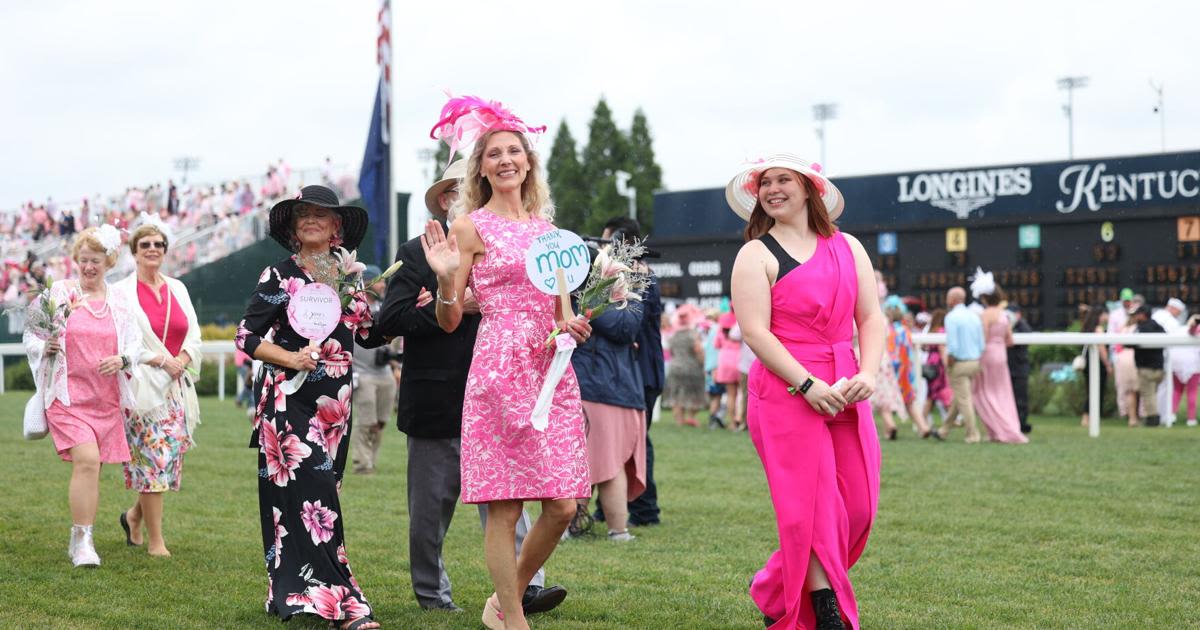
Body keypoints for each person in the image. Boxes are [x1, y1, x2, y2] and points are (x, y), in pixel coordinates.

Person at [421, 95, 591, 630]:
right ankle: (514, 617)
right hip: (499, 366)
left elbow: (563, 310)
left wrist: (573, 325)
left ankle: (505, 597)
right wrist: (448, 278)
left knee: (563, 504)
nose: (505, 160)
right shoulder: (470, 227)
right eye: (494, 153)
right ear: (482, 167)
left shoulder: (551, 234)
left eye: (514, 151)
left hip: (553, 370)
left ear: (528, 162)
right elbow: (450, 320)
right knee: (506, 505)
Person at [376, 159, 567, 616]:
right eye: (454, 191)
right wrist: (459, 301)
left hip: (507, 392)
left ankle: (521, 592)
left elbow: (548, 306)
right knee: (430, 512)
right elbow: (390, 320)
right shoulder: (418, 252)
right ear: (446, 200)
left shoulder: (527, 242)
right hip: (437, 400)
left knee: (510, 502)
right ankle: (433, 596)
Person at [728, 154, 883, 629]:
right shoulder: (755, 254)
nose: (773, 189)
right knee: (809, 509)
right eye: (765, 183)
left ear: (809, 188)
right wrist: (806, 383)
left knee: (857, 508)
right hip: (786, 391)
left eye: (783, 180)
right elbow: (755, 332)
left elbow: (871, 318)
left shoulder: (848, 246)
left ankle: (774, 586)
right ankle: (825, 611)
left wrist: (870, 373)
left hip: (846, 385)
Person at [236, 185, 382, 629]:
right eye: (304, 213)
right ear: (294, 227)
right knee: (317, 501)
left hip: (334, 408)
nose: (313, 218)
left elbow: (370, 334)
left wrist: (416, 303)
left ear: (337, 227)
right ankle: (343, 602)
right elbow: (247, 336)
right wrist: (290, 358)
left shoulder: (348, 277)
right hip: (289, 403)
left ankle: (287, 589)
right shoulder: (279, 276)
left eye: (323, 213)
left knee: (311, 499)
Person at [23, 226, 144, 567]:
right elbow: (31, 333)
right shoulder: (58, 293)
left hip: (105, 400)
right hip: (67, 397)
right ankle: (82, 542)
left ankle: (82, 535)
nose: (89, 267)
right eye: (84, 260)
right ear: (76, 260)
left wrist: (122, 359)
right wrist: (43, 346)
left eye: (96, 261)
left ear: (108, 262)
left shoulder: (119, 300)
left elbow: (134, 344)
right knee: (87, 460)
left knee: (93, 468)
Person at [112, 220, 203, 557]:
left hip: (175, 388)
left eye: (158, 244)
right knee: (154, 460)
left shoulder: (178, 288)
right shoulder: (120, 292)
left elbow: (193, 332)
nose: (153, 249)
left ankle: (134, 516)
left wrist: (182, 358)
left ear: (165, 250)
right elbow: (121, 339)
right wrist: (159, 359)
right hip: (141, 390)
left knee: (166, 461)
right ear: (134, 251)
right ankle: (156, 542)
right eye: (145, 244)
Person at [570, 241, 647, 541]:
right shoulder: (575, 296)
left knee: (606, 461)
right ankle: (578, 526)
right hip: (596, 387)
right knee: (589, 460)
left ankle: (612, 529)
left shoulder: (621, 295)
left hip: (609, 389)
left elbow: (624, 329)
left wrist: (591, 296)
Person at [599, 216, 665, 527]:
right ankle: (609, 507)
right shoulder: (632, 274)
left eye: (609, 244)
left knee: (638, 442)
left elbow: (629, 324)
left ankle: (644, 509)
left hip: (643, 371)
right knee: (619, 441)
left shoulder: (642, 276)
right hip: (631, 369)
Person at [967, 273, 1028, 444]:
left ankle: (1000, 430)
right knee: (1003, 392)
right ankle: (1002, 430)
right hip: (1001, 354)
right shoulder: (1004, 315)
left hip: (987, 354)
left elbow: (983, 337)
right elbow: (1010, 340)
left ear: (985, 297)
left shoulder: (985, 315)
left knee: (983, 392)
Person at [349, 265, 397, 475]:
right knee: (366, 421)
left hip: (384, 372)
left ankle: (372, 459)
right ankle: (362, 462)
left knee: (381, 421)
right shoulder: (352, 308)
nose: (384, 285)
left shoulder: (384, 308)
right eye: (380, 281)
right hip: (362, 373)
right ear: (367, 282)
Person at [938, 287, 985, 442]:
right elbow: (981, 345)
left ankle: (973, 434)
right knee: (960, 397)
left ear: (953, 299)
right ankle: (944, 430)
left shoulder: (951, 317)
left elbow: (953, 346)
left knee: (964, 400)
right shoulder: (974, 316)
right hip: (975, 362)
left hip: (959, 363)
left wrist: (949, 364)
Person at [664, 306, 706, 427]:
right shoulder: (693, 335)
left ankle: (679, 420)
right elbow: (698, 351)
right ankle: (691, 417)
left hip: (675, 367)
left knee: (676, 394)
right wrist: (703, 363)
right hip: (692, 368)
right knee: (694, 393)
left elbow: (670, 351)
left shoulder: (673, 335)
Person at [1129, 304, 1166, 427]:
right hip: (1159, 367)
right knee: (1153, 394)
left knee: (1148, 394)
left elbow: (1131, 343)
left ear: (1142, 314)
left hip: (1146, 367)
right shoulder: (1158, 326)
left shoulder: (1141, 328)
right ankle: (1153, 417)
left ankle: (1152, 419)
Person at [1077, 304, 1111, 428]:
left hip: (1088, 363)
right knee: (1097, 390)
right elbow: (1101, 348)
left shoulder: (1087, 327)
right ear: (1100, 315)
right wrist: (1107, 364)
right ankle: (1089, 418)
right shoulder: (1098, 329)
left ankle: (1087, 417)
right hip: (1098, 364)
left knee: (1090, 390)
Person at [1006, 303, 1034, 433]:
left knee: (1020, 399)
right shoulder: (1005, 325)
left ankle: (1022, 423)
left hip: (1019, 368)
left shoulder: (1023, 326)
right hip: (1007, 367)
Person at [715, 310, 745, 430]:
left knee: (731, 395)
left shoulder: (721, 327)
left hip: (725, 362)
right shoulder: (741, 322)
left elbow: (716, 345)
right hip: (740, 360)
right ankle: (740, 419)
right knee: (742, 393)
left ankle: (732, 423)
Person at [922, 308, 951, 426]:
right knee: (941, 392)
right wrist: (947, 365)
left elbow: (924, 347)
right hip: (938, 364)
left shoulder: (931, 331)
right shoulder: (942, 330)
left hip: (930, 361)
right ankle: (952, 419)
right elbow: (942, 349)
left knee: (930, 395)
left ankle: (922, 421)